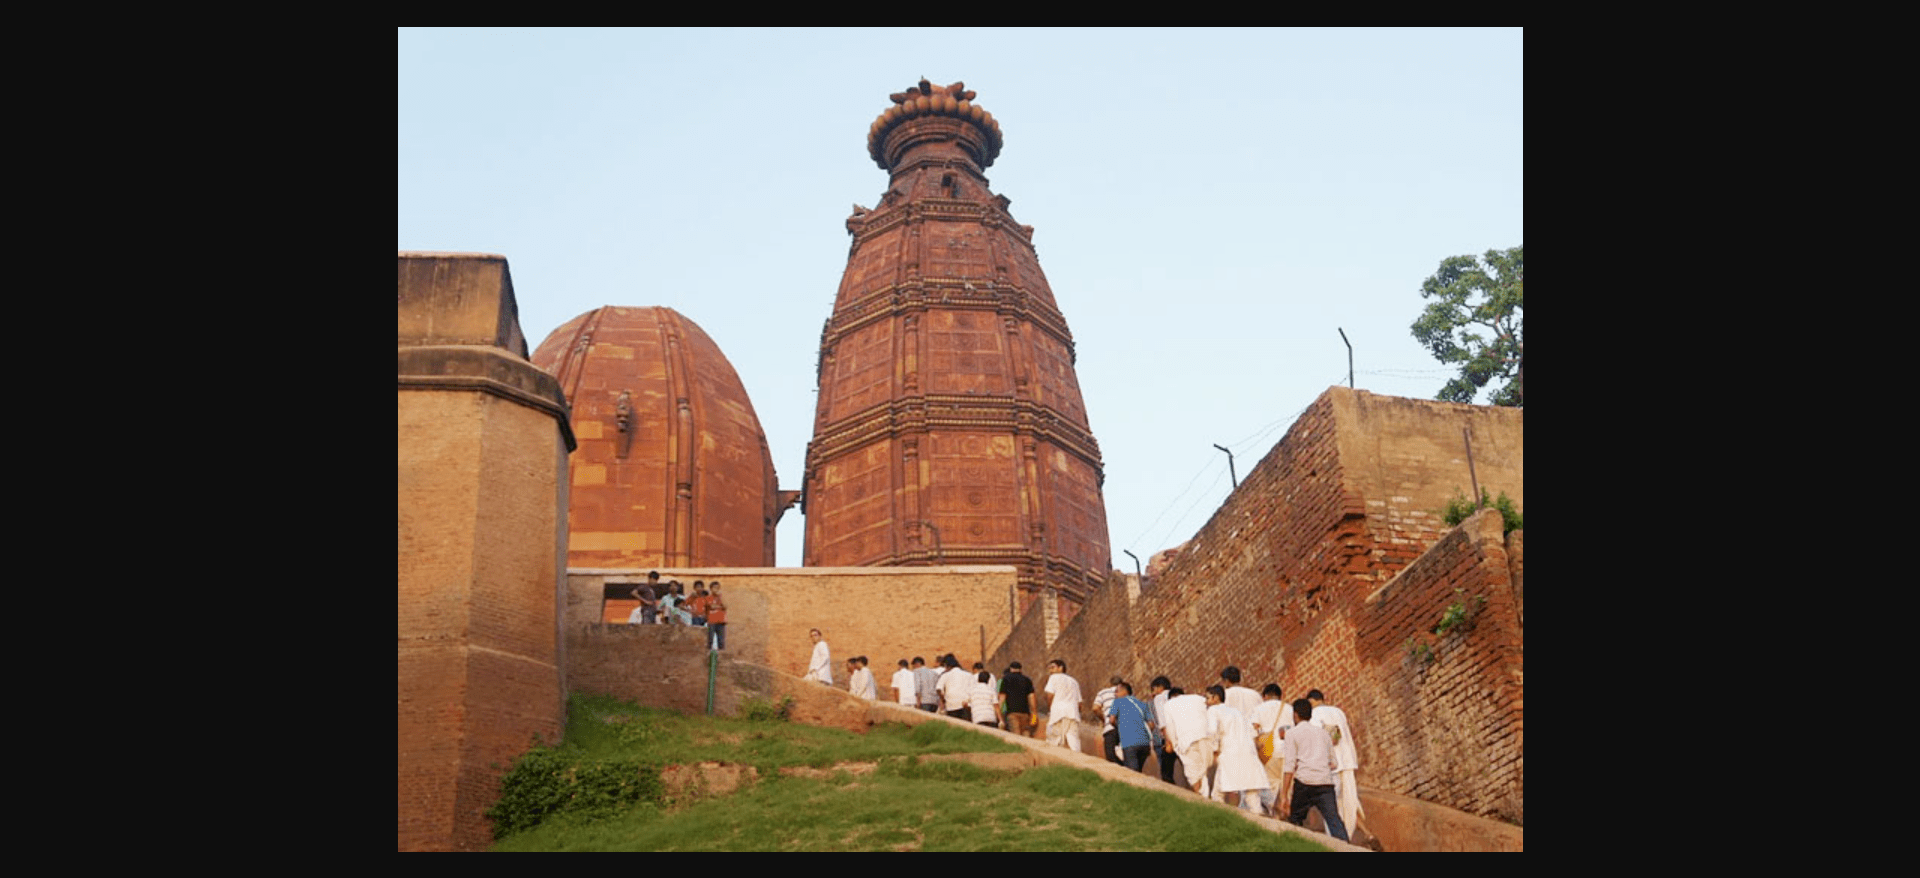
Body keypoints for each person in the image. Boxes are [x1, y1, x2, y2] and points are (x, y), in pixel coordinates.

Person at [1280, 698, 1349, 842]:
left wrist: (1284, 795)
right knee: (1334, 821)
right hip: (1325, 783)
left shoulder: (1292, 734)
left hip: (1304, 782)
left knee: (1296, 821)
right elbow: (1334, 763)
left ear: (1295, 715)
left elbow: (1289, 767)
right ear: (1310, 715)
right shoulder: (1324, 734)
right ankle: (1347, 848)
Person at [1307, 689, 1364, 838]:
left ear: (1311, 701)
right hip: (1347, 761)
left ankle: (1335, 839)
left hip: (1331, 765)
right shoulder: (1339, 712)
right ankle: (1347, 835)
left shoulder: (1314, 715)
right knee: (1347, 802)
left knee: (1330, 804)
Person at [1205, 685, 1270, 810]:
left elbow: (1212, 732)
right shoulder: (1236, 712)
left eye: (1208, 698)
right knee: (1252, 796)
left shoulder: (1213, 710)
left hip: (1229, 754)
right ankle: (1260, 822)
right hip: (1248, 753)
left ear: (1215, 698)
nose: (1207, 702)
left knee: (1218, 793)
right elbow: (1251, 732)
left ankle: (1219, 818)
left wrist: (1214, 751)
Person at [1249, 683, 1295, 815]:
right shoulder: (1290, 709)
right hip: (1288, 752)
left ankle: (1270, 814)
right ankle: (1283, 814)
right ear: (1280, 696)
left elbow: (1254, 728)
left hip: (1269, 752)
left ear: (1265, 696)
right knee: (1286, 788)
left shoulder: (1260, 708)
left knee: (1269, 785)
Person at [1158, 685, 1213, 795]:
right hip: (1206, 738)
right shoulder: (1198, 698)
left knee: (1194, 776)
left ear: (1170, 698)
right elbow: (1210, 714)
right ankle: (1206, 798)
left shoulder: (1168, 705)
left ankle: (1203, 800)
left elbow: (1170, 728)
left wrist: (1174, 745)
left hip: (1187, 742)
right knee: (1202, 772)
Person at [1105, 682, 1156, 773]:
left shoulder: (1117, 702)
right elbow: (1152, 724)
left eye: (1117, 691)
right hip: (1145, 744)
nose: (1115, 694)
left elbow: (1112, 720)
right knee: (1138, 771)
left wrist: (1121, 727)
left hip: (1129, 742)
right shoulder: (1142, 704)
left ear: (1124, 691)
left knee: (1133, 773)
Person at [1041, 659, 1084, 753]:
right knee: (1073, 741)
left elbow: (1049, 695)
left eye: (1053, 667)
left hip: (1057, 712)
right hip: (1073, 713)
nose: (1050, 671)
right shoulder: (1074, 681)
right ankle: (1077, 762)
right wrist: (1077, 712)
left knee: (1054, 739)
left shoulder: (1053, 678)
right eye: (1049, 668)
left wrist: (1050, 709)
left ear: (1061, 668)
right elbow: (1079, 703)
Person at [1149, 676, 1178, 785]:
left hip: (1166, 738)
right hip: (1182, 735)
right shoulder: (1176, 695)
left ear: (1160, 687)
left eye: (1154, 689)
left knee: (1166, 772)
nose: (1153, 692)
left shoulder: (1159, 698)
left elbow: (1162, 721)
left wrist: (1167, 740)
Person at [998, 662, 1037, 737]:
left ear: (1011, 669)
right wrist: (1034, 714)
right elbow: (1032, 699)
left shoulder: (1006, 679)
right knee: (1026, 735)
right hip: (1025, 713)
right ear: (1020, 669)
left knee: (1016, 736)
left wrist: (999, 716)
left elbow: (1002, 698)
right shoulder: (1027, 680)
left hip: (1012, 713)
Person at [1092, 677, 1123, 764]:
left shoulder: (1103, 692)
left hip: (1110, 728)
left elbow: (1095, 708)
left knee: (1111, 756)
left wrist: (1104, 719)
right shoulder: (1127, 694)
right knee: (1124, 757)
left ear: (1110, 684)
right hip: (1125, 728)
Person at [937, 655, 974, 720]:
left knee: (954, 726)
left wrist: (943, 699)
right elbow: (973, 690)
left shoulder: (945, 675)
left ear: (947, 666)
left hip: (951, 705)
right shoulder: (969, 675)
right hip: (965, 705)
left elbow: (938, 689)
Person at [704, 582, 728, 650]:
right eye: (714, 588)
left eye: (718, 588)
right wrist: (720, 606)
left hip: (721, 621)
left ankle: (721, 657)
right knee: (710, 640)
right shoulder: (708, 598)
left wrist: (720, 597)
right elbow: (712, 606)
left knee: (721, 641)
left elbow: (725, 606)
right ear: (711, 589)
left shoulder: (721, 597)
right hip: (712, 621)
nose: (716, 590)